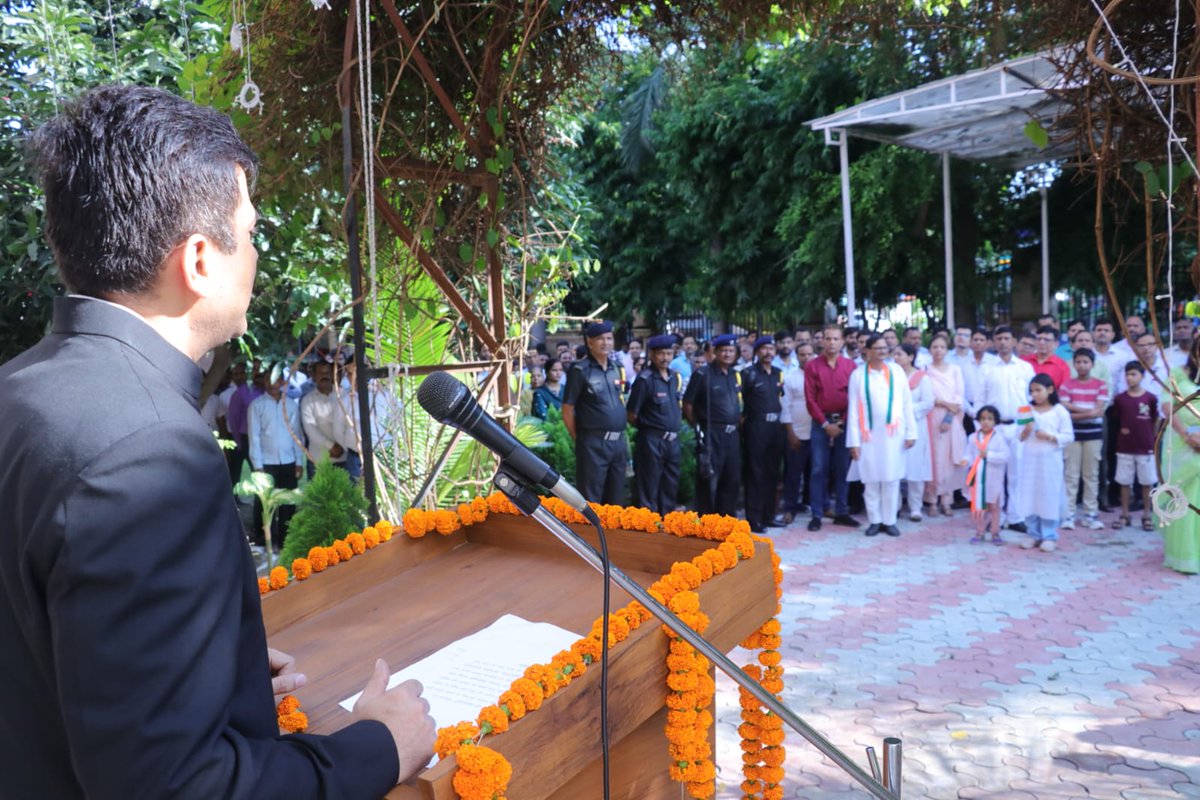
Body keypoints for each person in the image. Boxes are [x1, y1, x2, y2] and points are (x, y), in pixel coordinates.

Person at [0, 85, 433, 799]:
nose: (258, 255)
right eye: (252, 231)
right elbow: (179, 787)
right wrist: (380, 747)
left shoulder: (18, 389)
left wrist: (203, 666)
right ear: (199, 260)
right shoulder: (149, 448)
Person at [846, 335, 918, 537]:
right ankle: (875, 521)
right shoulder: (858, 375)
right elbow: (853, 409)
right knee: (870, 480)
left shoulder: (896, 372)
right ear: (867, 351)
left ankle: (890, 521)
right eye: (876, 348)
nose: (881, 351)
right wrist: (853, 441)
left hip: (893, 435)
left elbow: (906, 403)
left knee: (891, 479)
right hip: (867, 436)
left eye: (884, 348)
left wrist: (911, 432)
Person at [562, 320, 628, 504]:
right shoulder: (579, 370)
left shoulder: (617, 369)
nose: (606, 342)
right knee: (591, 500)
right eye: (600, 339)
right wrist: (581, 439)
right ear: (590, 342)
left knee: (616, 499)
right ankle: (590, 534)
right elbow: (567, 410)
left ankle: (612, 534)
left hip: (618, 443)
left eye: (609, 338)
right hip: (593, 444)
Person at [979, 326, 1036, 532]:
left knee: (1017, 474)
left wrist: (1028, 424)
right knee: (995, 475)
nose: (1003, 342)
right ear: (994, 342)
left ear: (1014, 341)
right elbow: (981, 399)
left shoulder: (1024, 368)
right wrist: (982, 427)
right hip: (995, 427)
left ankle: (1015, 516)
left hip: (1018, 427)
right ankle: (996, 515)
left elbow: (1030, 399)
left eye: (1007, 338)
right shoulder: (987, 368)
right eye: (999, 338)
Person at [804, 325, 860, 531]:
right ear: (822, 341)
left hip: (845, 423)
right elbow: (810, 399)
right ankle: (817, 513)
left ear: (842, 341)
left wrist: (841, 423)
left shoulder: (850, 366)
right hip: (820, 423)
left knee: (843, 469)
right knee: (819, 468)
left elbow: (855, 398)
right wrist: (826, 424)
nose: (831, 342)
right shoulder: (812, 366)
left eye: (835, 339)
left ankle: (842, 512)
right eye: (827, 338)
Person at [683, 334, 742, 516]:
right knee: (708, 484)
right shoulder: (702, 374)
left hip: (732, 436)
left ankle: (726, 524)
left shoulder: (734, 374)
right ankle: (707, 526)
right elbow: (688, 405)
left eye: (731, 350)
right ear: (715, 352)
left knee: (731, 481)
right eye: (723, 350)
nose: (727, 354)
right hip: (711, 435)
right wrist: (699, 427)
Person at [1017, 374, 1074, 552]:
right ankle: (1033, 533)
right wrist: (1026, 431)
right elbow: (1019, 436)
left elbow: (1068, 436)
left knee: (1048, 495)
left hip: (1050, 460)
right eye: (1032, 391)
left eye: (1038, 390)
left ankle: (1049, 535)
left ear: (1050, 390)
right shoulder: (1026, 410)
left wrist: (1050, 436)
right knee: (1031, 494)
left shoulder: (1059, 411)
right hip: (1031, 459)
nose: (1035, 394)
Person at [627, 334, 683, 513]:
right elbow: (631, 414)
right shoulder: (645, 379)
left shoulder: (674, 377)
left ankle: (667, 525)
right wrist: (650, 429)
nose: (665, 358)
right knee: (648, 488)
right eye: (661, 353)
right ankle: (648, 530)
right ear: (651, 354)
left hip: (672, 441)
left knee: (670, 485)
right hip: (652, 441)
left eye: (669, 353)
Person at [1159, 338, 1200, 573]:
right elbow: (1167, 406)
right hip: (1180, 441)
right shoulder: (1177, 373)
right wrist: (1187, 435)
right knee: (1183, 495)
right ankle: (1183, 554)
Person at [1059, 348, 1109, 531]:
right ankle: (1069, 514)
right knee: (1070, 475)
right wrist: (1089, 412)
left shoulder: (1100, 385)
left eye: (1085, 362)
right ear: (1074, 364)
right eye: (1078, 362)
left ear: (1092, 364)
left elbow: (1100, 412)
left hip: (1094, 435)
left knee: (1091, 475)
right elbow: (1065, 413)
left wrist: (1075, 409)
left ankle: (1090, 514)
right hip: (1072, 435)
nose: (1082, 365)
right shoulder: (1067, 385)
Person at [740, 335, 786, 532]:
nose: (768, 353)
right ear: (757, 352)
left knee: (772, 473)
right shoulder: (748, 374)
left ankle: (769, 515)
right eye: (764, 349)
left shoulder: (778, 373)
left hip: (775, 427)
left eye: (771, 349)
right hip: (756, 426)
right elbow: (740, 403)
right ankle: (754, 518)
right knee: (756, 474)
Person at [1112, 361, 1160, 532]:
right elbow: (1118, 419)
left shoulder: (1151, 398)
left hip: (1145, 447)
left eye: (1134, 374)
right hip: (1125, 446)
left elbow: (1155, 420)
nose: (1130, 378)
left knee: (1147, 482)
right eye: (1127, 374)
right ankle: (1125, 514)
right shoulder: (1120, 399)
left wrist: (1151, 439)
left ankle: (1147, 515)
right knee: (1124, 482)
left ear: (1142, 376)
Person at [925, 333, 966, 515]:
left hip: (952, 418)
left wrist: (949, 416)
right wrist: (944, 404)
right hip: (933, 416)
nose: (938, 350)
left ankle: (947, 501)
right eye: (935, 347)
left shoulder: (955, 369)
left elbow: (959, 395)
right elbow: (927, 396)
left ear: (947, 349)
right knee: (935, 458)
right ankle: (932, 500)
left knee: (949, 459)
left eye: (942, 347)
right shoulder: (925, 370)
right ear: (929, 350)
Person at [894, 344, 933, 522]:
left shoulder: (922, 378)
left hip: (917, 426)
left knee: (915, 466)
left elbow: (928, 403)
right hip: (895, 427)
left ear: (910, 357)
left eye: (900, 354)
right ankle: (894, 506)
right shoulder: (891, 376)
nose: (896, 357)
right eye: (894, 354)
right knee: (894, 466)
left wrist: (906, 411)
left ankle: (915, 507)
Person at [779, 340, 816, 524]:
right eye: (802, 354)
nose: (806, 357)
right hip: (797, 434)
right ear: (797, 356)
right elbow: (785, 408)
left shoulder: (819, 375)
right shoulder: (791, 377)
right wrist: (790, 433)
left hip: (817, 433)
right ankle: (789, 509)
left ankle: (815, 506)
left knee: (816, 473)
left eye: (810, 354)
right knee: (793, 474)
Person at [963, 405, 1009, 545]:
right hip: (978, 479)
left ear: (995, 421)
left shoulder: (999, 438)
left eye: (990, 419)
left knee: (994, 506)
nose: (986, 422)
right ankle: (980, 532)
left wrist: (989, 455)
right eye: (983, 419)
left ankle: (995, 532)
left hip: (994, 477)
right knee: (979, 506)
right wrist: (965, 460)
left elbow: (1005, 456)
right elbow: (969, 454)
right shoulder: (973, 438)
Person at [300, 360, 350, 479]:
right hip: (318, 459)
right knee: (319, 497)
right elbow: (310, 429)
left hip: (345, 457)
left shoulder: (344, 396)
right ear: (314, 376)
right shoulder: (307, 400)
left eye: (327, 373)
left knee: (344, 496)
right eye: (320, 373)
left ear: (333, 374)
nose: (324, 376)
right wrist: (331, 447)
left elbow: (349, 424)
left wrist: (342, 446)